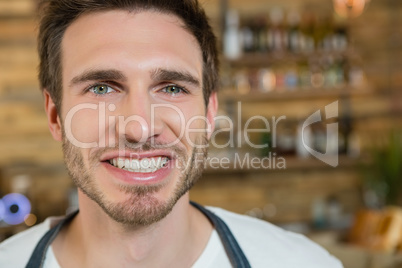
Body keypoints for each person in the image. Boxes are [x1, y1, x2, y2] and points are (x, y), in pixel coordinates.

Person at [0, 0, 343, 267]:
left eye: (173, 88)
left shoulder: (304, 264)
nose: (139, 127)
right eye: (102, 88)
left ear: (209, 114)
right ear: (55, 114)